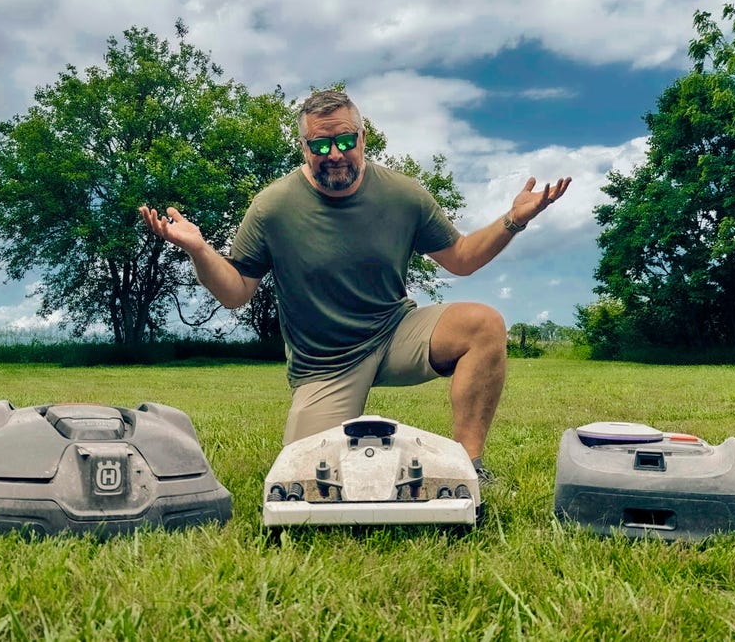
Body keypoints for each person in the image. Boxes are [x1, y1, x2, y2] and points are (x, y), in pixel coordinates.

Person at [140, 90, 569, 478]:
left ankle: (469, 466)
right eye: (320, 145)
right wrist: (200, 250)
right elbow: (236, 292)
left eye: (345, 141)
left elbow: (461, 259)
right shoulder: (273, 207)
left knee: (483, 324)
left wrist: (514, 220)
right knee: (307, 477)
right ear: (304, 147)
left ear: (363, 139)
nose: (334, 154)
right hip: (325, 364)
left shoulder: (404, 195)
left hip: (395, 332)